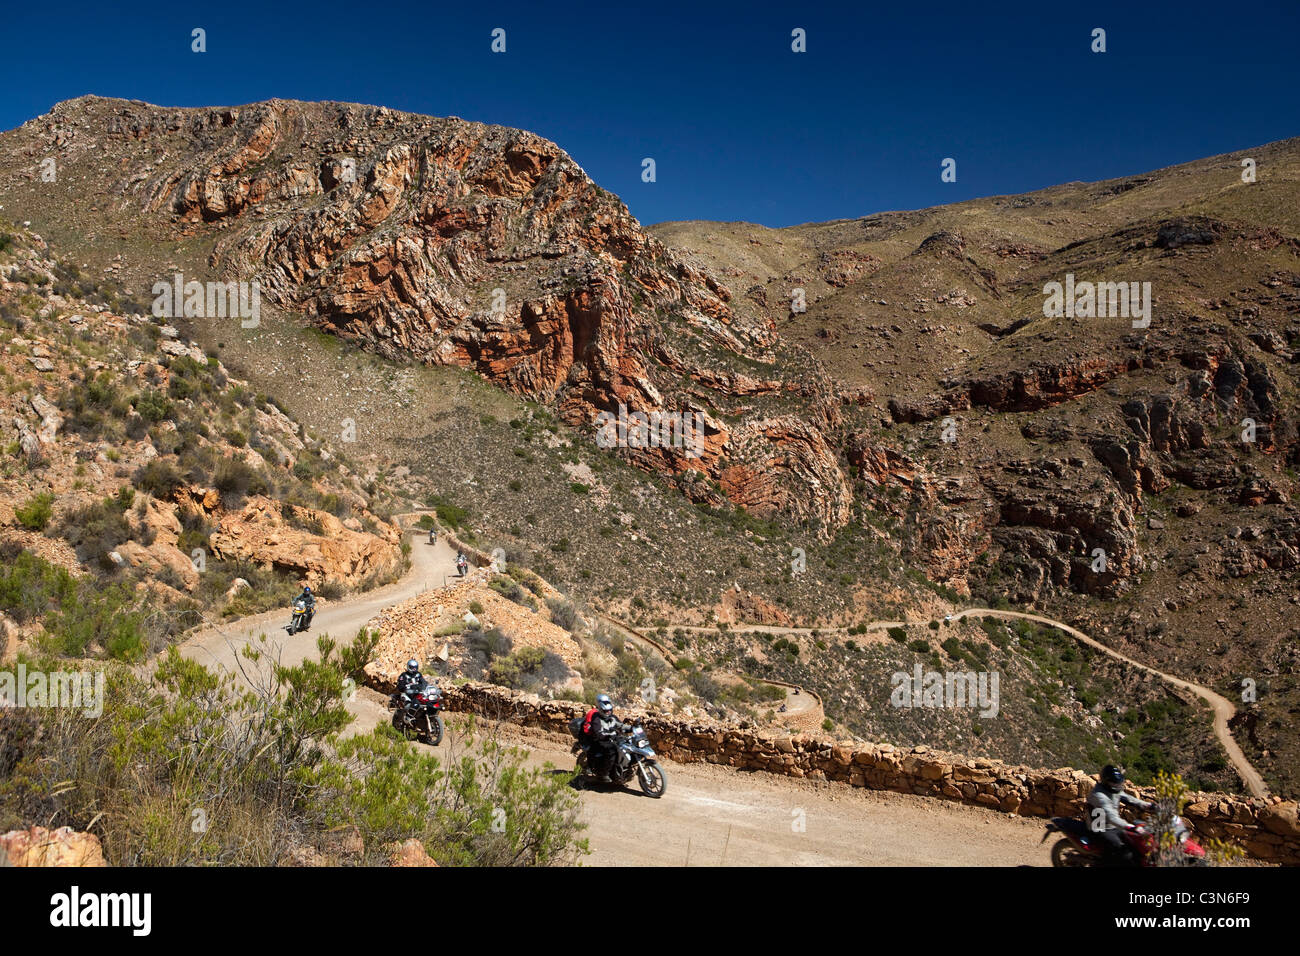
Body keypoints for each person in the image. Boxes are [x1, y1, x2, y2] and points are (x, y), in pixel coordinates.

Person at [1087, 765, 1154, 865]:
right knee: (1121, 849)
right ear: (1106, 782)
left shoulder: (1113, 789)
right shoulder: (1099, 795)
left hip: (1112, 825)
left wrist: (1147, 805)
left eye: (1118, 783)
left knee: (1134, 843)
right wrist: (1129, 826)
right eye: (1114, 783)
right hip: (1100, 827)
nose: (1118, 786)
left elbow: (1128, 798)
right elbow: (1111, 817)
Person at [581, 694, 620, 782]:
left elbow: (618, 724)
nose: (608, 711)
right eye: (606, 710)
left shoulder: (611, 715)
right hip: (596, 738)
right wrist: (606, 734)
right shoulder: (594, 715)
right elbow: (593, 730)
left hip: (607, 737)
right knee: (610, 751)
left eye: (609, 709)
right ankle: (604, 773)